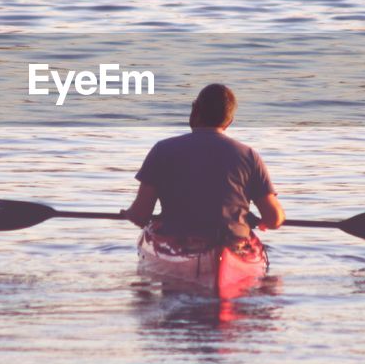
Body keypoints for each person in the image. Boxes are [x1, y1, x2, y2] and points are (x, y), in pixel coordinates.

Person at [121, 83, 284, 251]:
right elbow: (274, 219)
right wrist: (257, 220)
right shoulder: (250, 156)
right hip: (233, 245)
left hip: (178, 244)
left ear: (195, 110)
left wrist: (128, 214)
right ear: (229, 121)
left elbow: (141, 215)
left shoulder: (162, 150)